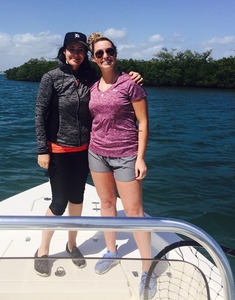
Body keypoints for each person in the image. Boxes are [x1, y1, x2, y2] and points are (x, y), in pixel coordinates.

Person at [35, 32, 143, 277]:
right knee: (59, 201)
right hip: (59, 149)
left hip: (85, 149)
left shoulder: (90, 77)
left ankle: (72, 245)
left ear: (86, 54)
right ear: (63, 51)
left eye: (81, 49)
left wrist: (132, 75)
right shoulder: (51, 77)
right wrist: (43, 148)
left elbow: (112, 76)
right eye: (71, 49)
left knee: (77, 199)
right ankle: (43, 250)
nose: (76, 53)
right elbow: (40, 114)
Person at [87, 33, 157, 299]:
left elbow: (143, 123)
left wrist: (140, 157)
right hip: (97, 153)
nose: (105, 56)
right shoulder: (93, 87)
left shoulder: (130, 84)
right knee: (106, 204)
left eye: (109, 51)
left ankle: (146, 269)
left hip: (126, 154)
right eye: (99, 53)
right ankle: (112, 250)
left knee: (134, 212)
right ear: (94, 59)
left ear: (115, 53)